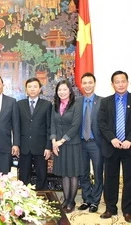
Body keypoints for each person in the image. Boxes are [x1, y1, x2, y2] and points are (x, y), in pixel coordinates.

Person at [98, 70, 131, 222]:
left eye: (123, 81)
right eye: (117, 82)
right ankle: (110, 208)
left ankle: (128, 210)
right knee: (110, 178)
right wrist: (112, 138)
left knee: (129, 179)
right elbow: (102, 123)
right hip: (111, 146)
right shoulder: (105, 102)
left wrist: (129, 140)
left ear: (127, 82)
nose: (120, 84)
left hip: (129, 146)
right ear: (112, 85)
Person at [50, 79, 83, 214]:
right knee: (64, 173)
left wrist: (62, 140)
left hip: (72, 144)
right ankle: (66, 199)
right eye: (59, 90)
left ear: (70, 91)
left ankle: (71, 201)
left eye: (64, 89)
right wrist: (53, 141)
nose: (62, 92)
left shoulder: (76, 105)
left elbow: (76, 126)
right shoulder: (55, 106)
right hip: (58, 145)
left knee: (72, 174)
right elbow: (53, 125)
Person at [17, 78, 52, 190]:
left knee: (42, 175)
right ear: (26, 89)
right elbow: (16, 127)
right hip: (24, 146)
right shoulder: (19, 105)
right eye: (30, 87)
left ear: (40, 89)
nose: (32, 89)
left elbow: (49, 127)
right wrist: (16, 144)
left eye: (35, 87)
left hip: (41, 146)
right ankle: (24, 199)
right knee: (24, 176)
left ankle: (41, 199)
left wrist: (48, 146)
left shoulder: (47, 105)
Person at [77, 73, 103, 213]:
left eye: (90, 82)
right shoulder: (77, 102)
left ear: (94, 83)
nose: (87, 85)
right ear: (81, 85)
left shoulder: (102, 101)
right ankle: (87, 199)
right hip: (81, 143)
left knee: (98, 172)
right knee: (83, 172)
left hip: (96, 143)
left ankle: (95, 201)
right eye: (85, 83)